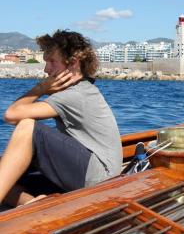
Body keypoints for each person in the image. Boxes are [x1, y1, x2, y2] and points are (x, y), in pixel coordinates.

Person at [1, 30, 122, 207]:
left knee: (28, 126)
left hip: (100, 177)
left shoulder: (75, 94)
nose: (45, 69)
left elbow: (11, 115)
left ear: (72, 63)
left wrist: (42, 87)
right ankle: (33, 204)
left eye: (51, 62)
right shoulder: (76, 90)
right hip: (93, 173)